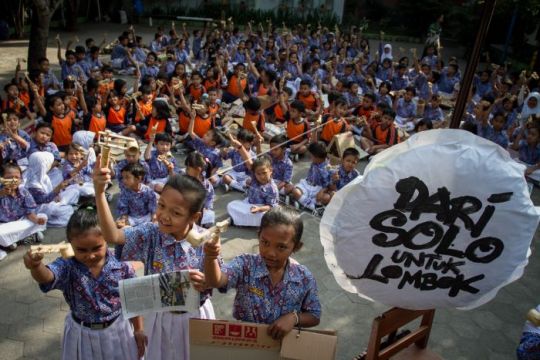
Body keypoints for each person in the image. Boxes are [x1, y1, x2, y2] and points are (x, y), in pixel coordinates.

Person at [94, 165, 215, 360]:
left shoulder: (206, 239)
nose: (164, 216)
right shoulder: (151, 233)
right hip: (159, 316)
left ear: (194, 217)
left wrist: (207, 281)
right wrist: (100, 194)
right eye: (161, 206)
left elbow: (218, 279)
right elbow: (113, 235)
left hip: (195, 316)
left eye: (176, 213)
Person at [23, 206, 146, 359]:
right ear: (70, 244)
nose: (91, 255)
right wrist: (36, 266)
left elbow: (134, 299)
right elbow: (48, 276)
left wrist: (139, 329)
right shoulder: (67, 265)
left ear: (107, 240)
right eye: (82, 250)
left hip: (118, 330)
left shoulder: (122, 265)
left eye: (97, 248)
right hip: (81, 334)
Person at [203, 206, 321, 339]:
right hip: (246, 341)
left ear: (296, 247)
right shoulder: (245, 265)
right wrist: (211, 257)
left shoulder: (304, 278)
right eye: (265, 242)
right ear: (258, 236)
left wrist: (294, 318)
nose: (270, 252)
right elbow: (217, 281)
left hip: (282, 346)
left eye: (281, 247)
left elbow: (314, 315)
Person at [0, 163, 47, 261]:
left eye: (16, 177)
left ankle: (12, 242)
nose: (13, 180)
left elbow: (29, 212)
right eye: (9, 177)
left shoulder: (23, 192)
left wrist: (37, 220)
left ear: (21, 179)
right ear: (2, 178)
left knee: (43, 216)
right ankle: (25, 238)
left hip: (20, 222)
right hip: (3, 226)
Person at [26, 152, 79, 227]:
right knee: (62, 210)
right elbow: (43, 200)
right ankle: (48, 220)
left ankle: (63, 206)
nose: (50, 165)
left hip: (52, 199)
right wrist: (57, 189)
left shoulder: (43, 175)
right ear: (42, 165)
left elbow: (49, 190)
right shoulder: (32, 182)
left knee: (74, 191)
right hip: (40, 207)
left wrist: (57, 194)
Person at [227, 156, 279, 227]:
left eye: (264, 173)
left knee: (263, 217)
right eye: (258, 174)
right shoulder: (254, 179)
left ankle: (239, 220)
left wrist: (259, 209)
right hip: (248, 204)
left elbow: (271, 206)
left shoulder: (273, 189)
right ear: (255, 173)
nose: (261, 176)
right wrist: (240, 147)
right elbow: (248, 161)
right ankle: (242, 219)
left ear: (270, 170)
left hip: (261, 209)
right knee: (231, 205)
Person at [290, 142, 332, 211]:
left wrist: (321, 192)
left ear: (316, 157)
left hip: (318, 189)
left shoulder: (326, 167)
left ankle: (303, 202)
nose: (310, 157)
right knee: (295, 191)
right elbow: (314, 142)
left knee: (326, 198)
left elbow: (328, 183)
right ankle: (309, 205)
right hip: (307, 184)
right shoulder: (316, 160)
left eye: (311, 156)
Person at [116, 162, 157, 229]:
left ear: (138, 179)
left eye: (127, 178)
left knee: (156, 224)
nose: (124, 180)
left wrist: (154, 219)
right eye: (123, 178)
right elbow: (123, 209)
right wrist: (124, 219)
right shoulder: (124, 192)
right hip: (132, 218)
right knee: (119, 225)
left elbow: (152, 209)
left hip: (146, 216)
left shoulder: (148, 191)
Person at [184, 151, 215, 227]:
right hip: (185, 209)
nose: (186, 170)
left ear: (199, 169)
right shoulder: (183, 179)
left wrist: (207, 207)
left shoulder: (206, 183)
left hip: (200, 210)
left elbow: (210, 197)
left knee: (210, 215)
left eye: (188, 168)